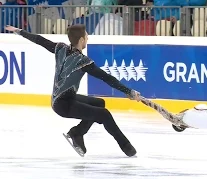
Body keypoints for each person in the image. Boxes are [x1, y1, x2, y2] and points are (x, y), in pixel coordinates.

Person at [4, 24, 141, 157]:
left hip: (59, 100)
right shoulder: (83, 61)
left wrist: (19, 31)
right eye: (86, 36)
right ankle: (127, 147)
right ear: (81, 40)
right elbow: (107, 78)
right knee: (104, 114)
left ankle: (77, 132)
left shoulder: (60, 48)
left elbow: (40, 40)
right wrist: (129, 91)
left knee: (99, 103)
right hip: (64, 105)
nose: (88, 38)